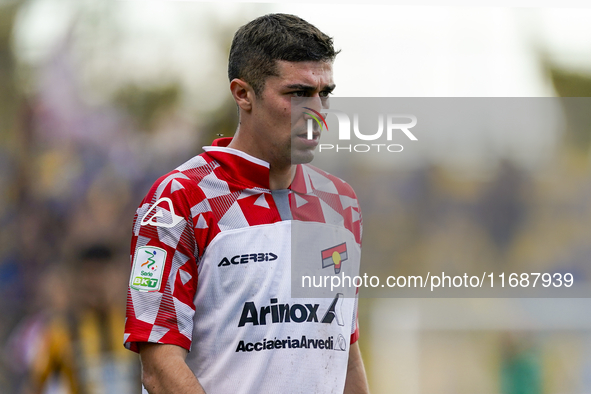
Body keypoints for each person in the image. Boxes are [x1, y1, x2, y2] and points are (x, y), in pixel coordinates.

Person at [124, 13, 369, 394]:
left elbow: (344, 354)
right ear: (243, 94)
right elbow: (159, 367)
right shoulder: (181, 199)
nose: (318, 112)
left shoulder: (340, 203)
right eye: (298, 93)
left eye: (325, 94)